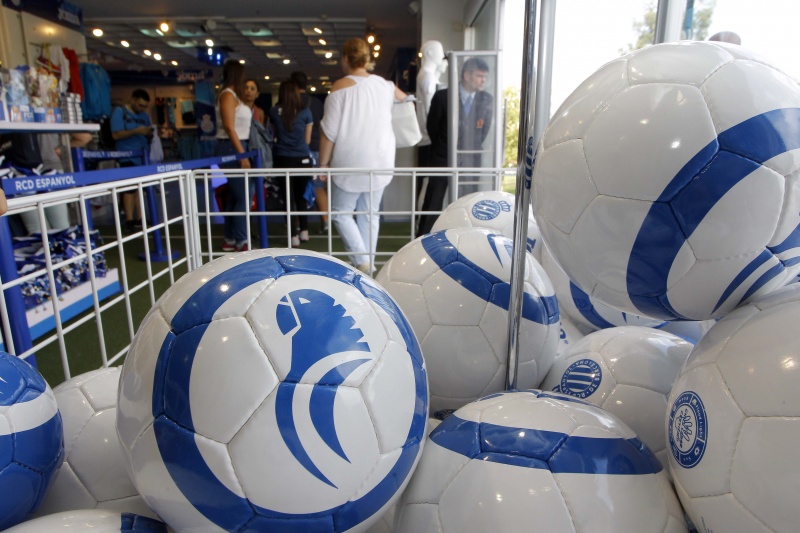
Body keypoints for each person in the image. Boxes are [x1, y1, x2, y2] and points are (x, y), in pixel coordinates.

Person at [319, 37, 407, 274]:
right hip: (381, 158)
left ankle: (362, 261)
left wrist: (323, 163)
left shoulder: (340, 87)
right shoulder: (385, 85)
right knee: (370, 214)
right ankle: (367, 265)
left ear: (346, 58)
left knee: (340, 212)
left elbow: (329, 133)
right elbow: (408, 101)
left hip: (349, 159)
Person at [417, 57, 493, 237]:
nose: (483, 80)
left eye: (485, 77)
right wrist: (445, 148)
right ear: (466, 75)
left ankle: (466, 240)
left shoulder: (486, 99)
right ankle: (422, 241)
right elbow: (432, 128)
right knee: (433, 203)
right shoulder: (443, 97)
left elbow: (483, 132)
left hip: (471, 161)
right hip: (442, 160)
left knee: (468, 205)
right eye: (479, 76)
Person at [269, 80, 313, 248]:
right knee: (301, 195)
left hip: (282, 158)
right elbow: (307, 140)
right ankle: (304, 231)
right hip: (302, 158)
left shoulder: (274, 111)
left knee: (288, 198)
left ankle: (293, 235)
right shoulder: (305, 112)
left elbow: (274, 135)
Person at [216, 59, 253, 252]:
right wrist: (242, 155)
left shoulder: (233, 95)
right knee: (243, 196)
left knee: (236, 196)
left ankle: (230, 238)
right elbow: (230, 128)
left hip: (237, 146)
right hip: (232, 148)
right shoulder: (228, 95)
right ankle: (241, 240)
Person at [415, 40, 448, 234]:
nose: (442, 56)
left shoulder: (427, 75)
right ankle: (423, 227)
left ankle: (423, 227)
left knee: (427, 184)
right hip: (428, 138)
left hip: (427, 137)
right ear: (428, 53)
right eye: (439, 51)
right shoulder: (427, 76)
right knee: (428, 184)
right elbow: (430, 110)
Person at [290, 70, 329, 234]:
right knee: (318, 187)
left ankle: (298, 224)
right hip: (316, 148)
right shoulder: (317, 103)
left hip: (297, 150)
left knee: (297, 188)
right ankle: (325, 221)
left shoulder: (290, 102)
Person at [111, 89, 152, 232]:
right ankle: (129, 220)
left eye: (145, 106)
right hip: (126, 155)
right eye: (140, 105)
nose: (143, 109)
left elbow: (148, 132)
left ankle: (140, 218)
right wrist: (136, 131)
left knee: (141, 188)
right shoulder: (120, 112)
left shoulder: (144, 116)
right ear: (133, 100)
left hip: (143, 155)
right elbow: (116, 135)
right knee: (129, 188)